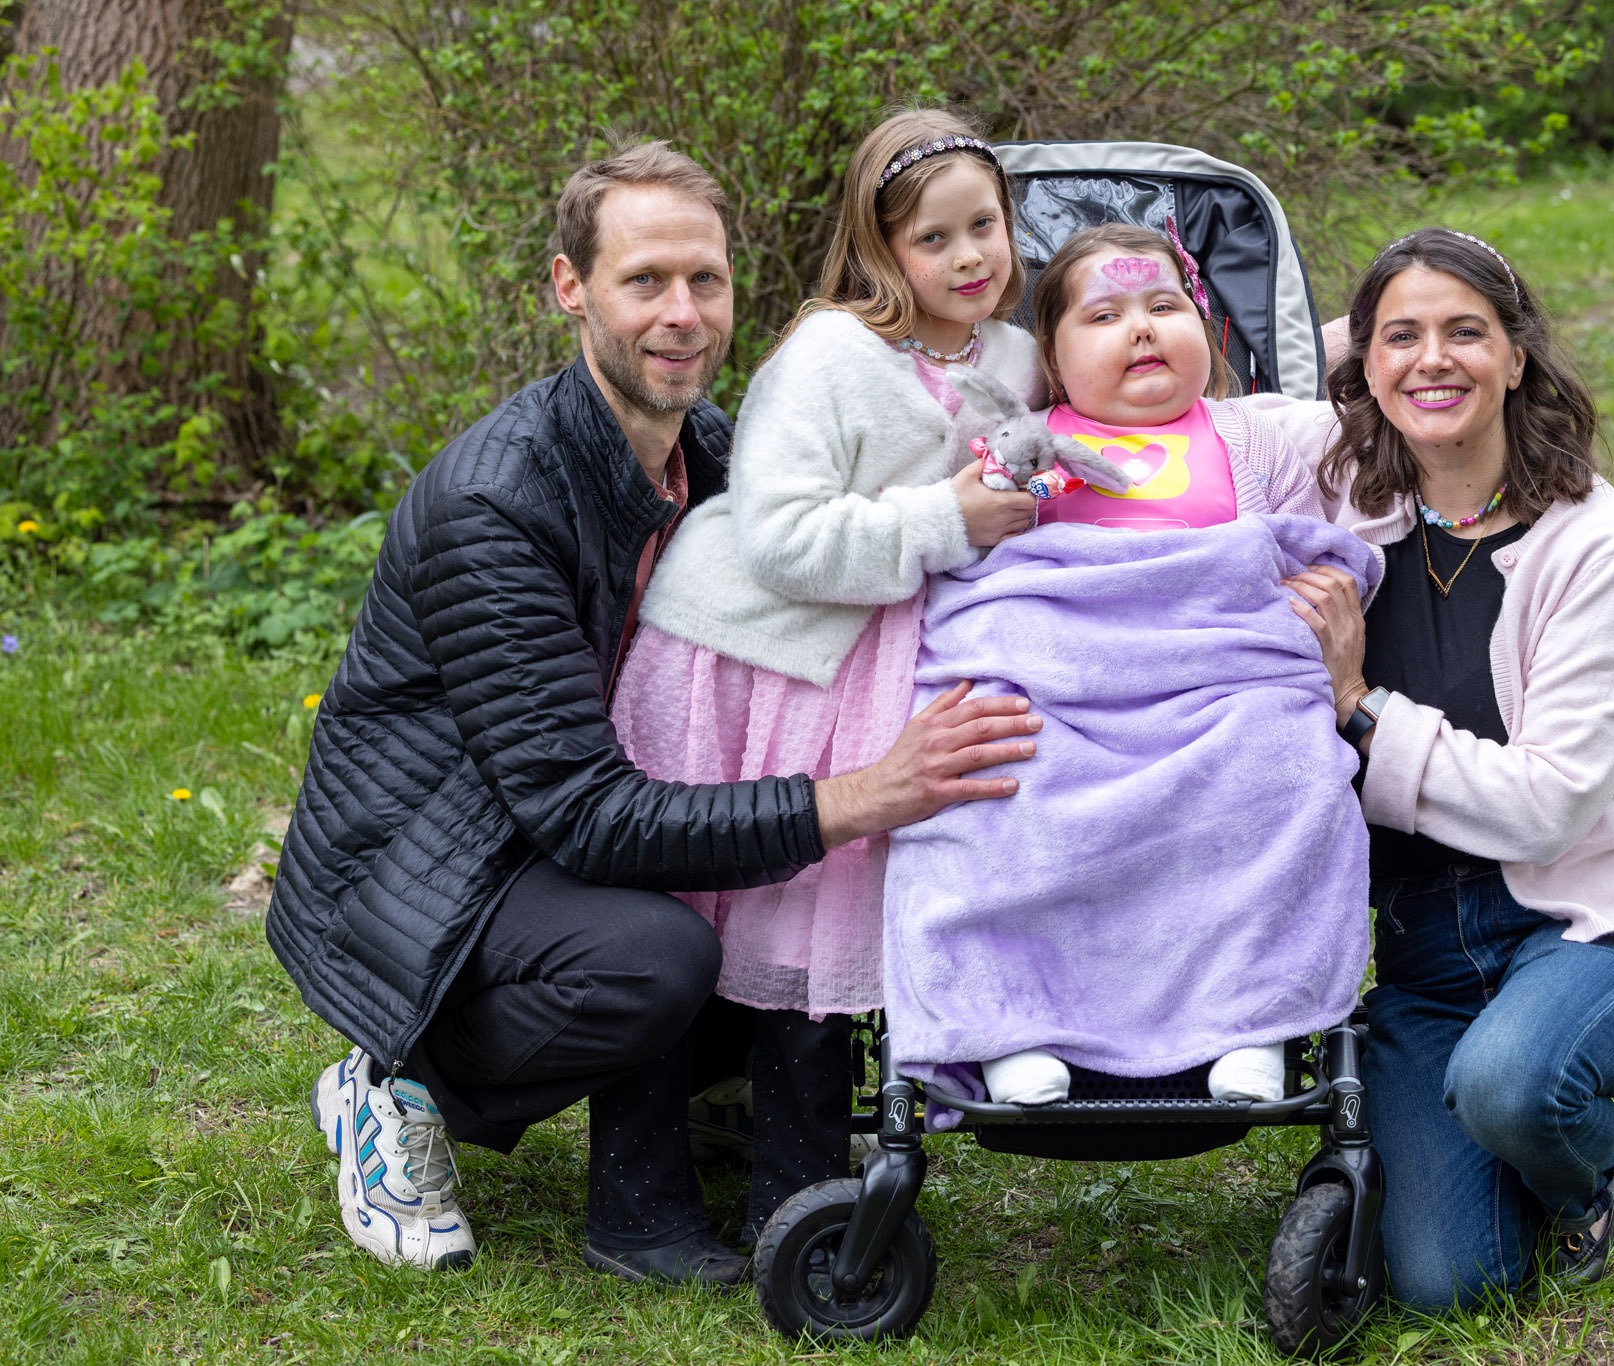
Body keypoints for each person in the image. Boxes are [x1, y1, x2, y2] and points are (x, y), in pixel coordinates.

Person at [267, 139, 1041, 1289]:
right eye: (644, 281)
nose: (681, 315)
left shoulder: (712, 452)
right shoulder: (496, 501)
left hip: (564, 809)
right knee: (659, 956)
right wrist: (857, 796)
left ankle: (708, 1093)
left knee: (768, 908)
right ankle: (403, 1079)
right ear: (569, 288)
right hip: (430, 863)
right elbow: (586, 817)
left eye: (704, 281)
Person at [607, 109, 1044, 1239]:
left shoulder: (1009, 356)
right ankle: (640, 1200)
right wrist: (945, 518)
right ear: (879, 247)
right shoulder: (828, 357)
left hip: (859, 671)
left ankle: (799, 1204)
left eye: (984, 227)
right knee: (711, 919)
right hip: (739, 661)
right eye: (933, 238)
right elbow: (780, 540)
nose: (968, 258)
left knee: (816, 939)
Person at [1278, 227, 1614, 1308]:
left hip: (1595, 920)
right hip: (1427, 951)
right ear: (1363, 364)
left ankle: (1580, 1180)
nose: (1432, 360)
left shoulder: (1595, 541)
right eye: (1401, 338)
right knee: (1447, 1285)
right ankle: (1477, 1132)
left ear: (1518, 356)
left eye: (1465, 333)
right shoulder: (1342, 505)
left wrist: (1359, 707)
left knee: (1511, 1083)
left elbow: (1546, 807)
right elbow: (1221, 400)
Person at [971, 222, 1333, 1107]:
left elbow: (1313, 535)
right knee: (996, 777)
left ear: (1205, 332)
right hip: (1065, 693)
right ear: (1053, 362)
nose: (1141, 328)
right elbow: (979, 573)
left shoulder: (1250, 438)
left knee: (1291, 764)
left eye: (1165, 306)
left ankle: (1248, 1018)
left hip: (1219, 692)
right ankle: (1016, 1019)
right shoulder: (1028, 448)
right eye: (1104, 316)